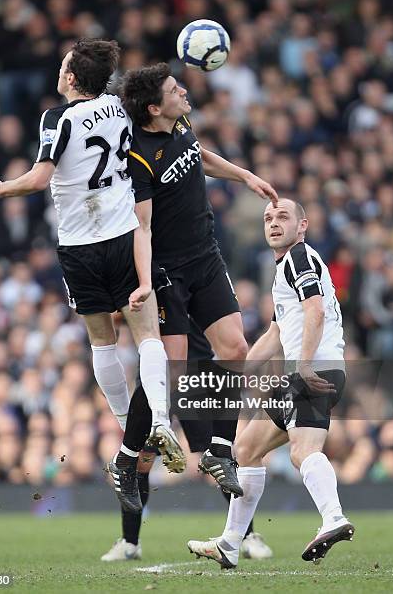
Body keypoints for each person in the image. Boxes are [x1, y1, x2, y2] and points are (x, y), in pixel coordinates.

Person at [0, 39, 185, 513]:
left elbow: (40, 179)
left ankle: (133, 426)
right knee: (148, 334)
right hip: (124, 235)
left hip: (80, 247)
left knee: (102, 342)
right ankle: (161, 419)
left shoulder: (56, 119)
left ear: (68, 79)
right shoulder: (117, 108)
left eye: (64, 65)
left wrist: (2, 189)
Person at [120, 63, 278, 497]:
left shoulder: (181, 122)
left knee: (236, 348)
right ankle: (127, 458)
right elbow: (143, 227)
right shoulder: (138, 155)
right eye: (174, 90)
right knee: (170, 372)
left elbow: (199, 156)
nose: (183, 91)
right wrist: (145, 280)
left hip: (206, 254)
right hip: (170, 269)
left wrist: (243, 175)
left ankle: (220, 450)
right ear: (154, 108)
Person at [188, 198, 354, 568]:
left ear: (303, 225)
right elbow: (277, 332)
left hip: (314, 371)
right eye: (267, 218)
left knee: (301, 451)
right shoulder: (284, 270)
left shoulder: (299, 258)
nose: (274, 223)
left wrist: (305, 364)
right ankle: (230, 543)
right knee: (246, 448)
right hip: (306, 372)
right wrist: (233, 372)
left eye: (283, 217)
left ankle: (334, 517)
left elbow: (316, 310)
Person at [102, 318, 273, 562]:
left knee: (217, 457)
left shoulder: (197, 281)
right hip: (155, 375)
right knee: (140, 458)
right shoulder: (149, 283)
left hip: (195, 372)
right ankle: (130, 542)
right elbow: (121, 316)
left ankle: (246, 535)